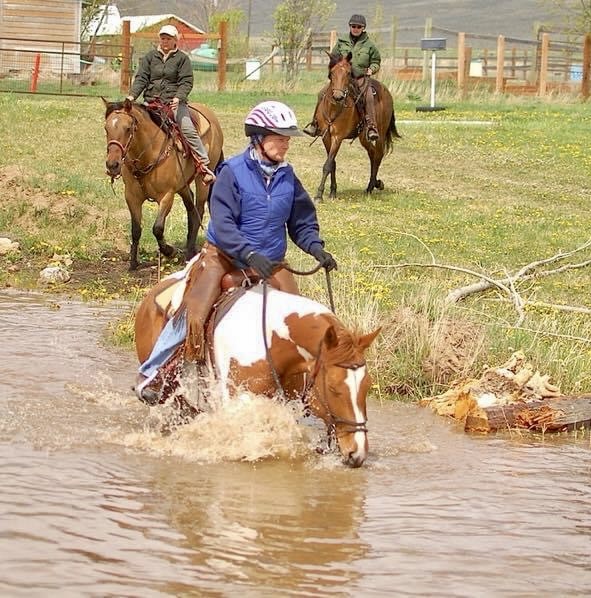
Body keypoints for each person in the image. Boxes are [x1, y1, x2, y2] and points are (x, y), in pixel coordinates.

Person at [135, 100, 338, 404]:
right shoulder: (232, 172)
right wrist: (247, 252)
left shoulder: (288, 177)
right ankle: (157, 371)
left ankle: (307, 387)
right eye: (280, 138)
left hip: (270, 262)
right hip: (223, 257)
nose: (286, 144)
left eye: (287, 139)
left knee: (298, 318)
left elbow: (302, 222)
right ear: (259, 138)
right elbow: (223, 224)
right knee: (195, 312)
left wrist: (316, 248)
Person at [126, 24, 216, 184]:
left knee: (187, 128)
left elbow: (186, 81)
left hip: (173, 103)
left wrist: (178, 97)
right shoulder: (150, 57)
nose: (165, 41)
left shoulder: (182, 59)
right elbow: (141, 78)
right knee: (132, 126)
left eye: (168, 38)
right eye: (162, 38)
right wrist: (132, 95)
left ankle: (203, 164)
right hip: (151, 102)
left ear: (175, 40)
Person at [303, 14, 381, 141]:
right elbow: (333, 59)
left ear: (363, 28)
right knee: (321, 93)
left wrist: (372, 69)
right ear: (350, 27)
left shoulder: (369, 45)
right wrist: (333, 72)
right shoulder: (341, 42)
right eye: (353, 26)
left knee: (368, 96)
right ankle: (315, 124)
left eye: (359, 27)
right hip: (342, 78)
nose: (356, 29)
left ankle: (371, 127)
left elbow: (376, 61)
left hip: (359, 77)